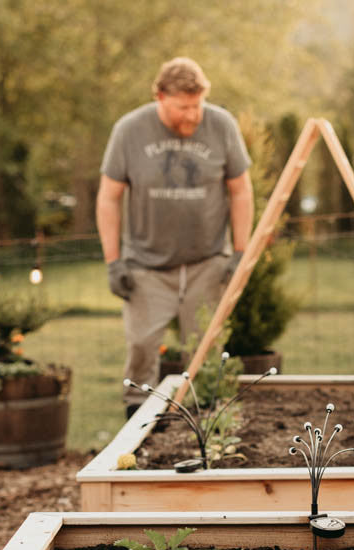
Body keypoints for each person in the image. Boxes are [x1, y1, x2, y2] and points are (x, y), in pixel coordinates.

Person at [96, 57, 254, 416]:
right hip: (146, 264)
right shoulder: (130, 131)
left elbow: (240, 190)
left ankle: (208, 423)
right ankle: (138, 419)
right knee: (141, 345)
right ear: (160, 97)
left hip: (207, 260)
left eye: (197, 105)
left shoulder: (221, 125)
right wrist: (112, 261)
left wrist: (240, 252)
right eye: (183, 107)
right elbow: (109, 197)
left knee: (206, 348)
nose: (193, 115)